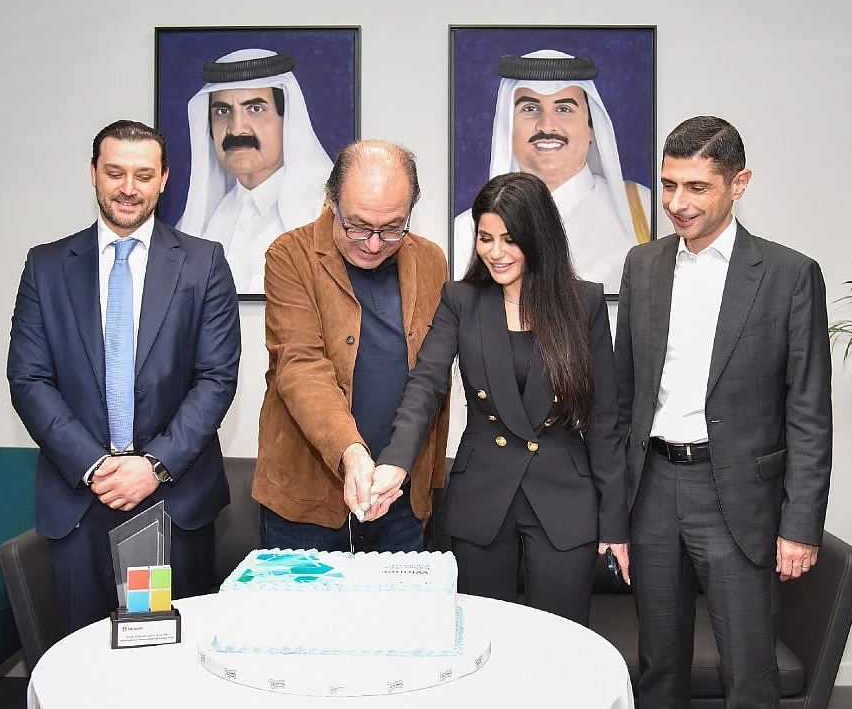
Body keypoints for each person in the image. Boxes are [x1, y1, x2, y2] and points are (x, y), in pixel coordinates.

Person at [613, 116, 832, 708]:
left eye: (697, 188)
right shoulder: (643, 266)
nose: (678, 204)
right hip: (653, 488)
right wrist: (616, 516)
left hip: (737, 494)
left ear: (740, 183)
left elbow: (809, 410)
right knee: (658, 664)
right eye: (669, 185)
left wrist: (800, 525)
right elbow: (623, 399)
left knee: (748, 668)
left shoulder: (789, 276)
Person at [7, 120, 241, 634]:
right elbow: (29, 379)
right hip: (80, 504)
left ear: (163, 179)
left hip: (171, 506)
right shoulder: (45, 267)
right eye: (115, 173)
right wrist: (95, 466)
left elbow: (216, 378)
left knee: (167, 661)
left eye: (142, 174)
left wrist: (151, 466)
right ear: (93, 174)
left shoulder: (203, 264)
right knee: (81, 662)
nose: (128, 188)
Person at [376, 172, 630, 626]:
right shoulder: (461, 300)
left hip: (562, 499)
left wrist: (614, 523)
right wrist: (396, 461)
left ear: (538, 238)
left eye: (509, 239)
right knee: (482, 641)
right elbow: (426, 384)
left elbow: (604, 421)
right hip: (483, 496)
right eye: (485, 237)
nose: (495, 252)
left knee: (559, 648)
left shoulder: (583, 302)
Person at [252, 139, 450, 553]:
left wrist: (394, 462)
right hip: (307, 504)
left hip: (400, 495)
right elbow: (300, 366)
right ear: (331, 201)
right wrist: (352, 452)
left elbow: (431, 376)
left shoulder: (431, 261)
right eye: (357, 226)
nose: (374, 244)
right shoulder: (291, 256)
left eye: (393, 227)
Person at [453, 49, 652, 293]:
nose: (547, 125)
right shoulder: (466, 231)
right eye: (529, 108)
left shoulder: (642, 208)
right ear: (508, 127)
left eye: (564, 109)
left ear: (591, 128)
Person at [176, 48, 334, 294]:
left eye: (256, 109)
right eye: (222, 111)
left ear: (288, 119)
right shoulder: (197, 223)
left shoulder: (324, 215)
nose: (236, 128)